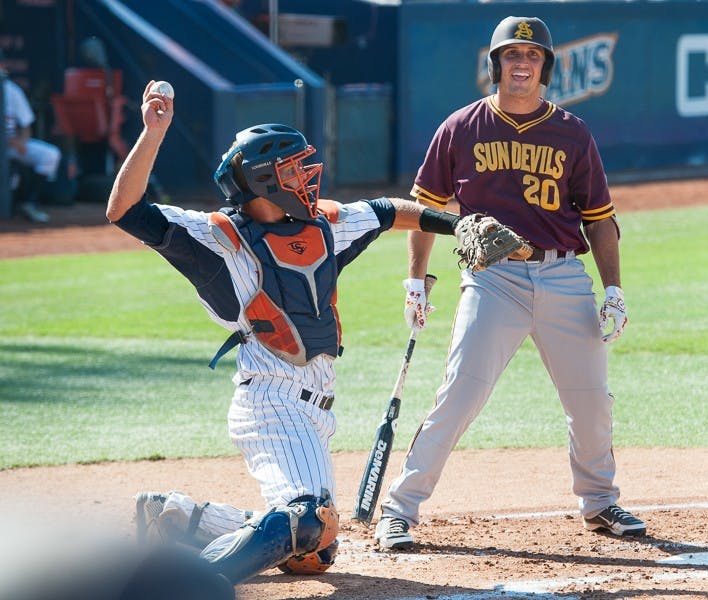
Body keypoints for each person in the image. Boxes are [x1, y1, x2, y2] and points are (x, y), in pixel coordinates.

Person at [107, 80, 481, 585]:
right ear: (265, 181)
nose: (308, 176)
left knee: (313, 550)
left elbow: (390, 211)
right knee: (306, 519)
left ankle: (174, 515)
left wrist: (459, 225)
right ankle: (190, 582)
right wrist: (154, 133)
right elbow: (125, 211)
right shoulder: (219, 239)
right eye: (294, 169)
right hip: (271, 403)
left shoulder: (324, 225)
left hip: (312, 410)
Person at [374, 16, 646, 551]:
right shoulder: (460, 127)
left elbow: (598, 219)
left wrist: (613, 287)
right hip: (491, 281)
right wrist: (416, 280)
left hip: (565, 274)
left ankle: (600, 502)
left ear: (546, 66)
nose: (522, 63)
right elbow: (425, 210)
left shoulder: (572, 132)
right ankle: (399, 509)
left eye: (533, 55)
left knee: (591, 401)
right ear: (496, 64)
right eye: (511, 55)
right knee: (458, 397)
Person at [2, 51, 61, 223]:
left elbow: (26, 125)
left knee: (50, 155)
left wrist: (21, 140)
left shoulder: (11, 91)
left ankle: (29, 202)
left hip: (9, 146)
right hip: (3, 144)